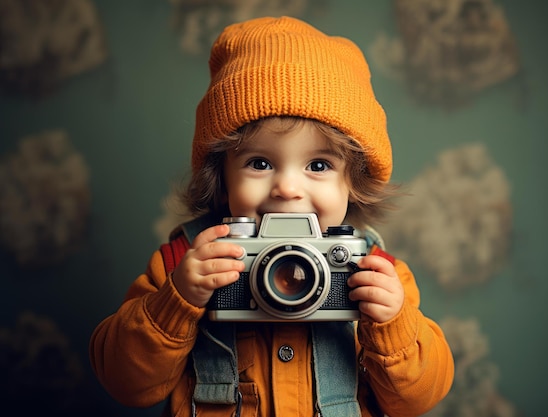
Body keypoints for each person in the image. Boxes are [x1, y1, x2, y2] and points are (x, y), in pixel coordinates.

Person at [89, 16, 454, 417]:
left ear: (353, 182)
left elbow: (417, 400)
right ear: (222, 178)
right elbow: (123, 383)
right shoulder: (183, 263)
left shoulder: (373, 272)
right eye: (259, 162)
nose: (287, 188)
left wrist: (392, 326)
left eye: (318, 166)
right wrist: (177, 300)